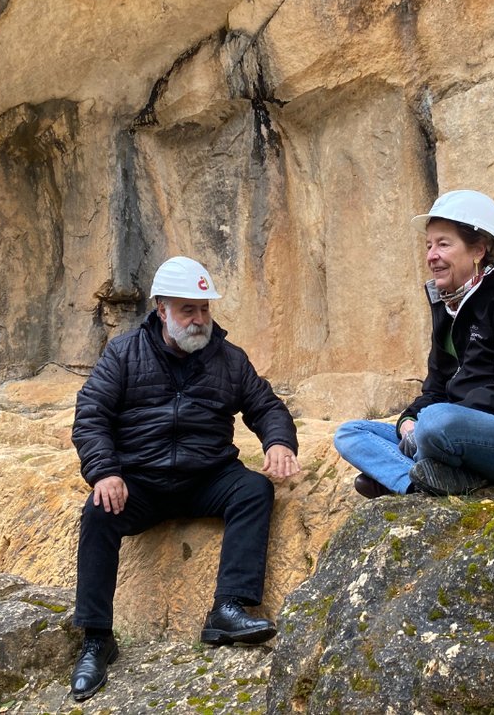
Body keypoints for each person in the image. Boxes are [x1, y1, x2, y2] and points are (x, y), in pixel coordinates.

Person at [68, 255, 301, 702]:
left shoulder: (230, 359)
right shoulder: (123, 353)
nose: (198, 320)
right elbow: (91, 416)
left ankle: (227, 610)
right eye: (187, 310)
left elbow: (266, 406)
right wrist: (106, 471)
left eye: (204, 309)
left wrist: (278, 443)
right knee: (98, 509)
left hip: (207, 477)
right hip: (139, 480)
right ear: (161, 310)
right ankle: (97, 639)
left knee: (253, 489)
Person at [334, 190, 494, 498]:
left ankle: (403, 474)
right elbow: (435, 389)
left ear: (479, 250)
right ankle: (419, 482)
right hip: (450, 433)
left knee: (436, 421)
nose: (431, 255)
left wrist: (432, 420)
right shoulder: (448, 309)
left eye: (443, 244)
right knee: (352, 433)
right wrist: (408, 421)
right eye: (429, 245)